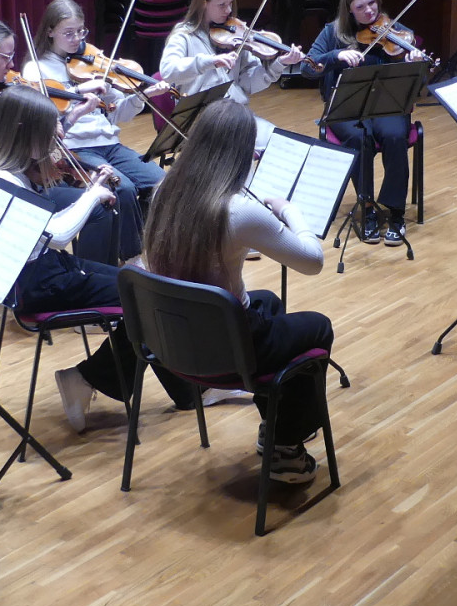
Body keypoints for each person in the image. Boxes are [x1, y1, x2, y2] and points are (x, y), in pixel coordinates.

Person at [0, 88, 202, 431]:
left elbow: (45, 232)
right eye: (49, 132)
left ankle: (184, 391)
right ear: (23, 130)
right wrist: (92, 195)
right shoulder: (5, 179)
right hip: (37, 284)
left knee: (147, 286)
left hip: (49, 268)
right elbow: (57, 235)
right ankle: (91, 378)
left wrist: (89, 188)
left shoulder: (14, 169)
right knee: (147, 298)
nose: (56, 140)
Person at [143, 102, 334, 483]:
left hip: (173, 338)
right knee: (317, 327)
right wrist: (290, 211)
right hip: (225, 348)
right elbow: (312, 261)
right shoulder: (239, 211)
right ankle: (285, 448)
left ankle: (277, 421)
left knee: (269, 303)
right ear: (242, 153)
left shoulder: (165, 189)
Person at [0, 15, 140, 264]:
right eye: (5, 57)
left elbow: (31, 140)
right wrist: (31, 139)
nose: (11, 65)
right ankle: (87, 276)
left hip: (23, 182)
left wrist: (71, 116)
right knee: (99, 207)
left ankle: (99, 274)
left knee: (112, 193)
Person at [301, 0, 427, 246]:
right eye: (360, 7)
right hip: (348, 105)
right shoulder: (333, 33)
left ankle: (395, 212)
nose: (369, 11)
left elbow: (419, 84)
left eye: (372, 3)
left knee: (394, 135)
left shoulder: (395, 31)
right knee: (360, 137)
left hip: (387, 105)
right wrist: (335, 56)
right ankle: (367, 207)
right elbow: (307, 68)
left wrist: (414, 63)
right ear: (348, 9)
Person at [21, 0, 170, 198]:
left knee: (162, 182)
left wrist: (143, 95)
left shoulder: (92, 64)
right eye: (68, 33)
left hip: (110, 144)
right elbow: (43, 118)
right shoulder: (36, 69)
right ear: (50, 32)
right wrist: (78, 91)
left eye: (81, 31)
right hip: (75, 148)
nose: (77, 39)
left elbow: (118, 113)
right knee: (123, 189)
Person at [159, 0, 305, 154]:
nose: (228, 10)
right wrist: (210, 61)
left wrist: (278, 65)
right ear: (203, 2)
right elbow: (168, 71)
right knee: (242, 152)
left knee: (281, 144)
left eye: (230, 3)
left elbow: (249, 84)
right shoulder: (184, 35)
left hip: (236, 117)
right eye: (222, 5)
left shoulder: (235, 34)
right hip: (203, 123)